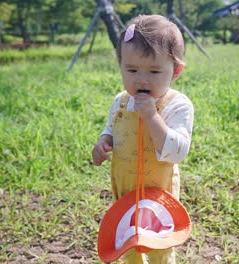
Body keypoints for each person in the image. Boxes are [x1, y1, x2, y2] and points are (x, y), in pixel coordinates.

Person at [92, 14, 194, 264]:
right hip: (126, 187)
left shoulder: (177, 105)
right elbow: (112, 128)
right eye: (132, 69)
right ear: (120, 66)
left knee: (159, 242)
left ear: (176, 71)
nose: (141, 79)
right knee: (128, 239)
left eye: (154, 71)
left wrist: (151, 116)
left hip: (159, 192)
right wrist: (103, 142)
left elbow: (177, 151)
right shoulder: (121, 101)